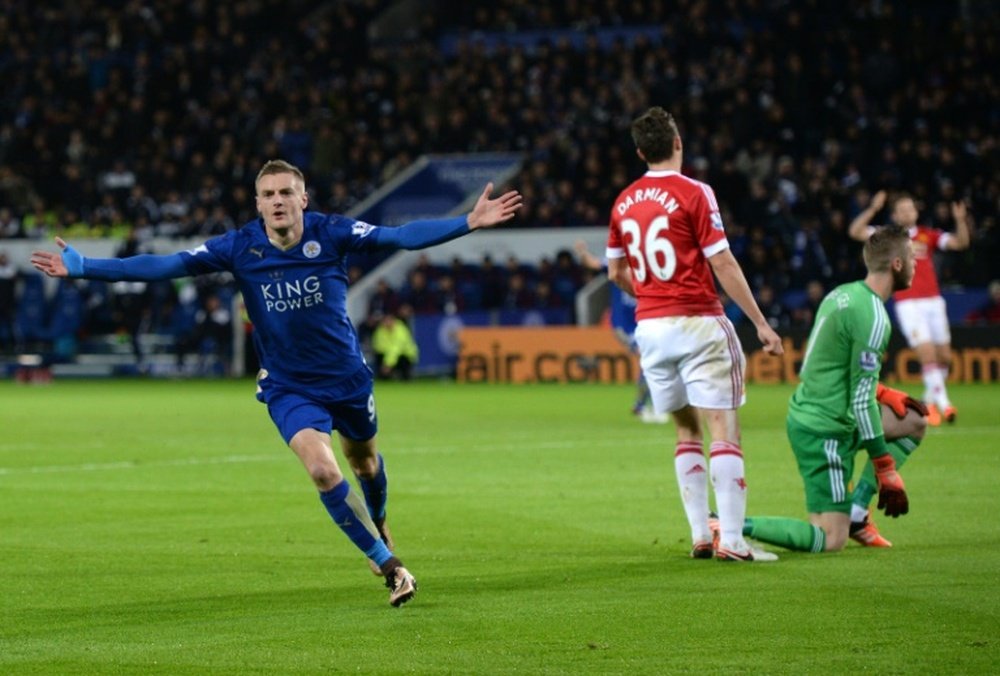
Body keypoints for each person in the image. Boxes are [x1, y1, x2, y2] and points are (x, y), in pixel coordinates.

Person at [31, 159, 522, 607]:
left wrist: (467, 223)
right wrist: (86, 268)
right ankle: (391, 567)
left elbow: (400, 235)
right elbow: (167, 265)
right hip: (289, 386)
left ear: (303, 198)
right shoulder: (239, 246)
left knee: (365, 462)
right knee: (324, 471)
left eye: (287, 192)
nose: (278, 201)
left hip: (346, 377)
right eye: (268, 194)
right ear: (258, 203)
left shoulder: (332, 233)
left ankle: (381, 524)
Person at [605, 107, 784, 562]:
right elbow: (722, 262)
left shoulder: (623, 201)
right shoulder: (695, 192)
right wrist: (761, 322)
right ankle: (735, 542)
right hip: (699, 322)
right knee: (723, 427)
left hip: (652, 329)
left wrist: (649, 295)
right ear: (678, 142)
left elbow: (614, 271)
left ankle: (701, 534)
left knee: (686, 428)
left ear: (642, 152)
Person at [738, 225, 916, 554]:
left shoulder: (841, 294)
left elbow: (824, 367)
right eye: (912, 257)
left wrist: (880, 391)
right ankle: (731, 525)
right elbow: (861, 402)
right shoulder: (875, 317)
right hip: (825, 430)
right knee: (830, 538)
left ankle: (858, 515)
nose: (916, 264)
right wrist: (884, 467)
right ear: (896, 264)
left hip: (825, 412)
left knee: (913, 420)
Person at [848, 190, 970, 425]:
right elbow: (855, 232)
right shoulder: (888, 237)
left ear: (916, 211)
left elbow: (960, 242)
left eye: (910, 208)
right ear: (895, 215)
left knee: (944, 356)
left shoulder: (928, 235)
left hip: (934, 301)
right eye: (902, 210)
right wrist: (873, 208)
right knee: (927, 354)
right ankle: (945, 405)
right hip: (909, 303)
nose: (907, 212)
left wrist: (960, 219)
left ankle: (927, 403)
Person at [574, 239, 666, 423]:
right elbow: (592, 263)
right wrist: (583, 253)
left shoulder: (650, 266)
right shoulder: (615, 262)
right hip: (623, 324)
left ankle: (646, 404)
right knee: (647, 358)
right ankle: (645, 405)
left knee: (653, 360)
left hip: (644, 321)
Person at [371, 311, 419, 380]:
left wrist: (388, 364)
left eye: (389, 320)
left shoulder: (401, 330)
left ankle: (403, 374)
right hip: (388, 355)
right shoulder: (380, 330)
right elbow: (378, 346)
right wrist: (387, 361)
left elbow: (397, 348)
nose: (387, 322)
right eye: (385, 320)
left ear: (393, 320)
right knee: (379, 356)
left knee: (404, 369)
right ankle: (385, 375)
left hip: (405, 355)